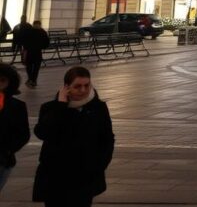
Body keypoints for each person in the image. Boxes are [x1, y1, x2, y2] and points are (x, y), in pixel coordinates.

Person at [33, 66, 115, 206]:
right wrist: (61, 106)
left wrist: (100, 165)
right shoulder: (50, 108)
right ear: (66, 87)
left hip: (85, 174)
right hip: (56, 175)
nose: (83, 90)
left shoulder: (98, 108)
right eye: (77, 86)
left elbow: (107, 138)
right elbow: (42, 132)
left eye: (86, 85)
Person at [0, 63, 30, 193]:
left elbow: (23, 134)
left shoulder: (17, 106)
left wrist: (7, 150)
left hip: (3, 160)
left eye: (2, 80)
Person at [21, 21, 49, 88]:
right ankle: (33, 80)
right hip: (37, 52)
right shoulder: (42, 32)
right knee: (35, 68)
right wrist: (41, 46)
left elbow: (24, 41)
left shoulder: (29, 31)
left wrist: (25, 48)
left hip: (31, 52)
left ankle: (31, 79)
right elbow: (46, 43)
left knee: (30, 67)